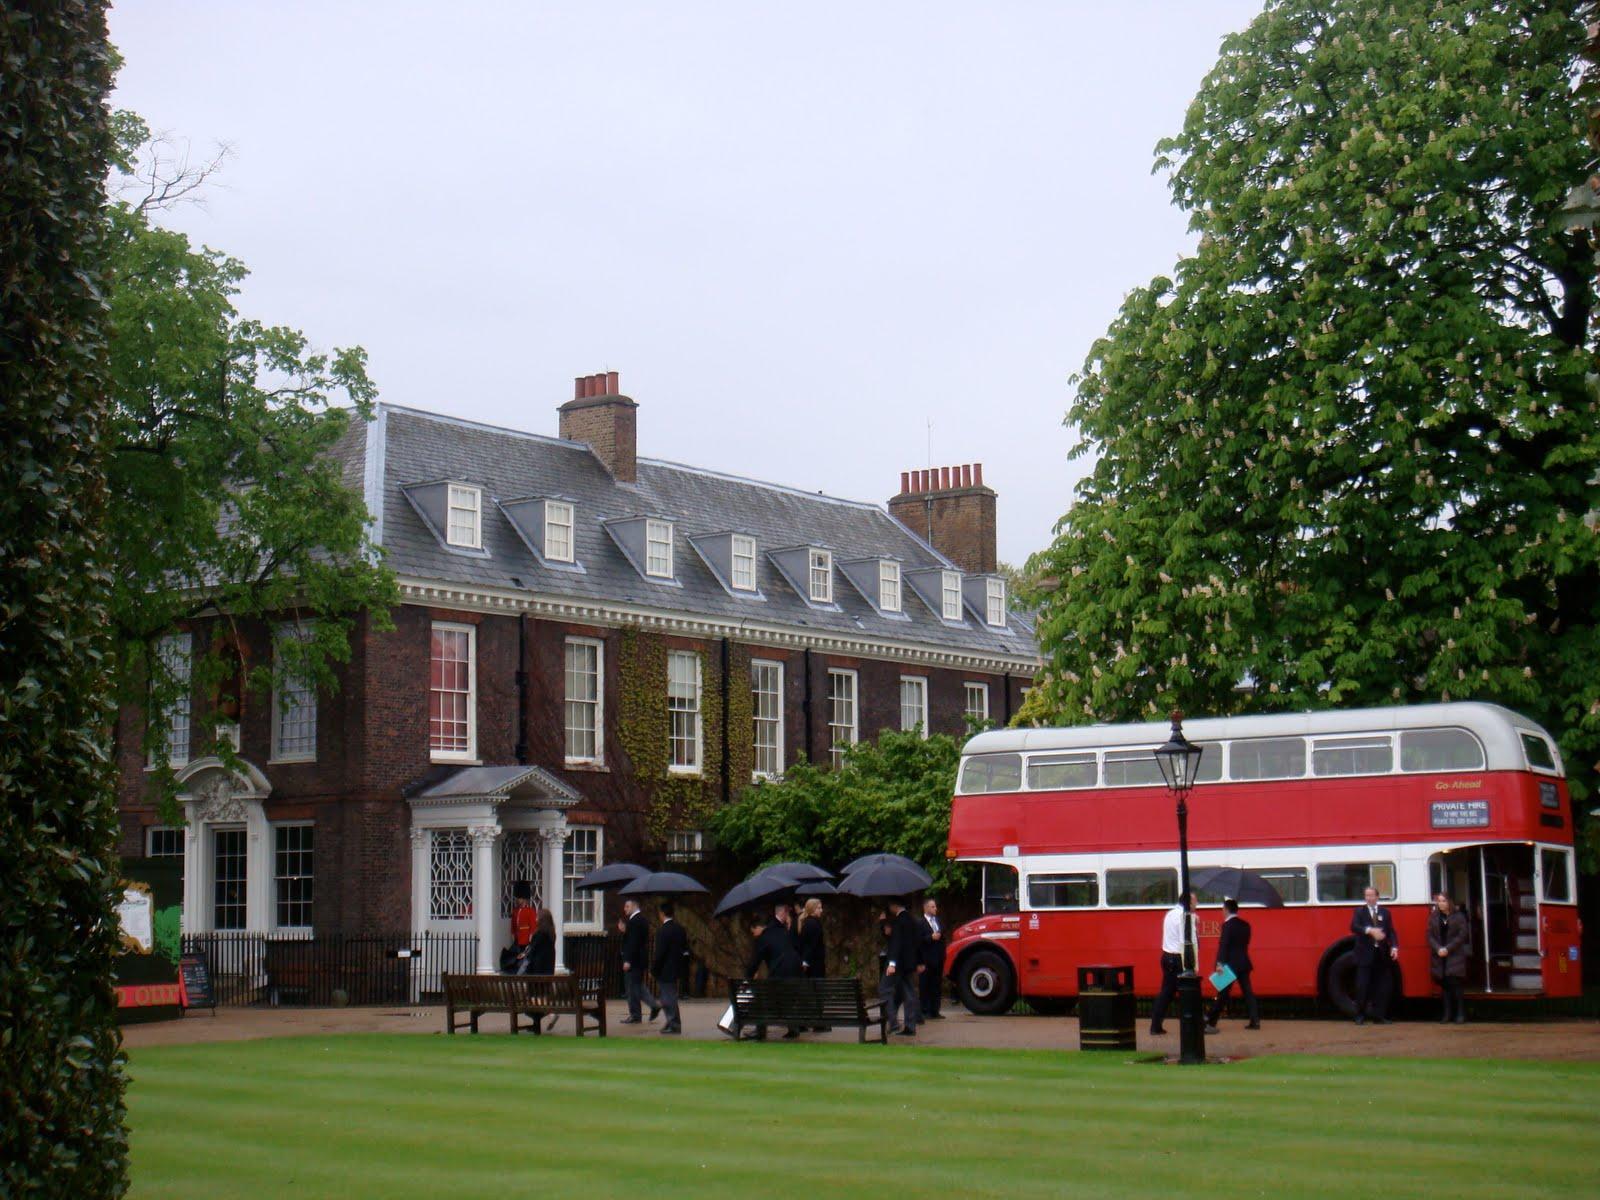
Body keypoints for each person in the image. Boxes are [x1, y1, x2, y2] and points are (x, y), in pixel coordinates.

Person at [1203, 898, 1259, 1032]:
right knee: (1248, 993)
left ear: (1227, 909)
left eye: (1223, 909)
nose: (1222, 911)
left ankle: (1211, 1020)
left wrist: (1219, 964)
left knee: (1223, 994)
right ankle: (1255, 1021)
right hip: (1244, 963)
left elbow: (1224, 946)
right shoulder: (1246, 925)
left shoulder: (1227, 926)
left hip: (1229, 965)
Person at [746, 908, 803, 1039]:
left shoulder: (763, 938)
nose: (754, 935)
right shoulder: (781, 931)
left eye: (753, 931)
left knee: (760, 998)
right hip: (796, 971)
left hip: (780, 973)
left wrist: (748, 977)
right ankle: (793, 1028)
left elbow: (755, 961)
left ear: (758, 927)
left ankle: (760, 1030)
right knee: (787, 998)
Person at [1350, 884, 1399, 1025]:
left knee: (1382, 986)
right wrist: (1369, 930)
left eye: (1372, 895)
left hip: (1381, 954)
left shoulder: (1385, 912)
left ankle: (1379, 1016)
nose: (1369, 898)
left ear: (1377, 897)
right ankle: (1359, 1015)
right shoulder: (1359, 911)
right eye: (1367, 895)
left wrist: (1394, 947)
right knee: (1362, 986)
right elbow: (1354, 926)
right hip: (1364, 954)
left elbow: (1390, 931)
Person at [1148, 893, 1193, 1036]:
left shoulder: (1170, 914)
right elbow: (1185, 940)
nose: (1196, 905)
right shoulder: (1184, 917)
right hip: (1177, 958)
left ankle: (1156, 1024)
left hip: (1167, 956)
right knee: (1185, 991)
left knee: (1166, 993)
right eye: (1194, 902)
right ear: (1188, 903)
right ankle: (1192, 1023)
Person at [883, 897, 924, 1037]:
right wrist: (919, 961)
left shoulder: (899, 921)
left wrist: (892, 963)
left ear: (894, 905)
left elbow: (897, 943)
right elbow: (917, 942)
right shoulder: (913, 920)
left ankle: (894, 1022)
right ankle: (910, 1023)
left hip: (899, 964)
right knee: (907, 992)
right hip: (910, 963)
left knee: (884, 989)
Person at [1427, 892, 1470, 1024]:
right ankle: (1447, 1014)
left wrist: (1448, 948)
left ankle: (1460, 1014)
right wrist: (1438, 948)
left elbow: (1462, 935)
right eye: (1439, 901)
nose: (1441, 904)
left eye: (1443, 901)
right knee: (1444, 986)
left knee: (1456, 985)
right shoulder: (1434, 917)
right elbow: (1429, 936)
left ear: (1449, 902)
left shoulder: (1459, 917)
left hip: (1454, 955)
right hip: (1440, 956)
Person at [619, 898, 660, 1025]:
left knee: (632, 988)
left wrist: (628, 960)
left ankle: (635, 1015)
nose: (625, 909)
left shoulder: (634, 921)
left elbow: (634, 943)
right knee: (638, 986)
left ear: (634, 906)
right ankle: (653, 1005)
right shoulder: (641, 920)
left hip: (634, 960)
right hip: (640, 959)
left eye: (627, 906)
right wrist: (625, 931)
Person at [652, 900, 688, 1035]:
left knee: (668, 997)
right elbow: (684, 949)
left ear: (661, 914)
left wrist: (654, 969)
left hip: (665, 969)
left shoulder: (662, 931)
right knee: (669, 996)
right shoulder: (680, 929)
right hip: (676, 967)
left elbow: (660, 953)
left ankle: (673, 1024)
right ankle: (672, 1021)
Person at [521, 908, 557, 1030]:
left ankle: (550, 1013)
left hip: (536, 973)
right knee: (540, 997)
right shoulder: (551, 934)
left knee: (531, 999)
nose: (535, 918)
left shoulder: (539, 934)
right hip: (547, 972)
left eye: (537, 916)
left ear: (541, 919)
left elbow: (532, 952)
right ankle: (536, 1024)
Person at [919, 897, 946, 1020]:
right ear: (925, 908)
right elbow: (918, 941)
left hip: (938, 959)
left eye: (935, 906)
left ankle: (935, 1010)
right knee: (925, 985)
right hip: (926, 959)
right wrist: (930, 937)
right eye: (932, 907)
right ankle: (925, 1010)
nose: (935, 909)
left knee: (936, 985)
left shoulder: (938, 921)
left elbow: (943, 937)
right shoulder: (920, 923)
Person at [797, 898, 827, 977]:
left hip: (813, 963)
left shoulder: (809, 922)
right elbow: (810, 945)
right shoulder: (813, 924)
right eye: (819, 908)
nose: (821, 910)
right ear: (812, 909)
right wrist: (805, 961)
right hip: (814, 964)